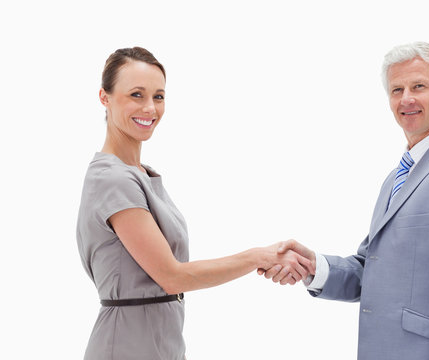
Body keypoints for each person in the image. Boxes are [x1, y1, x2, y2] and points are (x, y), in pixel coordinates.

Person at [261, 42, 429, 360]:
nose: (406, 99)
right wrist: (312, 267)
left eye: (419, 86)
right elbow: (372, 271)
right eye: (396, 89)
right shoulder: (397, 177)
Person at [76, 47, 314, 360]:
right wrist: (257, 256)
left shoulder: (141, 175)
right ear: (104, 97)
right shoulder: (114, 180)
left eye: (158, 96)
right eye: (136, 94)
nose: (150, 108)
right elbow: (172, 276)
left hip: (162, 344)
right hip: (126, 346)